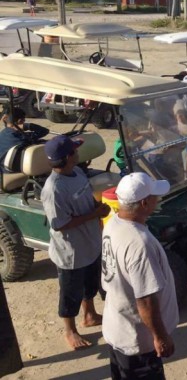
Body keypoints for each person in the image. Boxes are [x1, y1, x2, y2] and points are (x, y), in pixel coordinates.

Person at [101, 172, 177, 379]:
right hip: (138, 343)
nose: (158, 199)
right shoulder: (139, 243)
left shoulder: (114, 223)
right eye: (155, 196)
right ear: (144, 203)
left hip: (119, 329)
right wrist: (160, 337)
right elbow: (145, 299)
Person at [41, 135, 110, 350]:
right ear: (68, 157)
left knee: (90, 282)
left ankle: (89, 314)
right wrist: (93, 215)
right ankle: (70, 330)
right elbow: (59, 224)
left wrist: (98, 208)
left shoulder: (77, 172)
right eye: (75, 150)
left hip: (90, 242)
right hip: (71, 251)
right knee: (70, 292)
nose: (79, 152)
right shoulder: (53, 190)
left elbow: (87, 199)